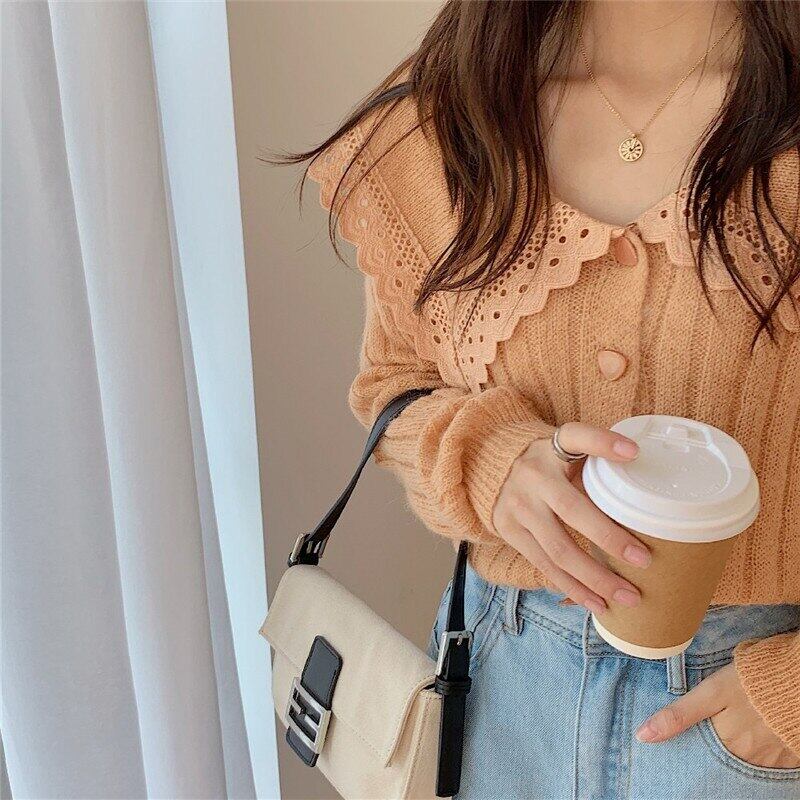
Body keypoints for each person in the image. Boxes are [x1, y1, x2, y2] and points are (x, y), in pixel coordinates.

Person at [279, 1, 800, 796]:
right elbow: (394, 383)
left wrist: (790, 694)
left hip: (755, 716)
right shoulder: (447, 116)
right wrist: (489, 461)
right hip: (498, 695)